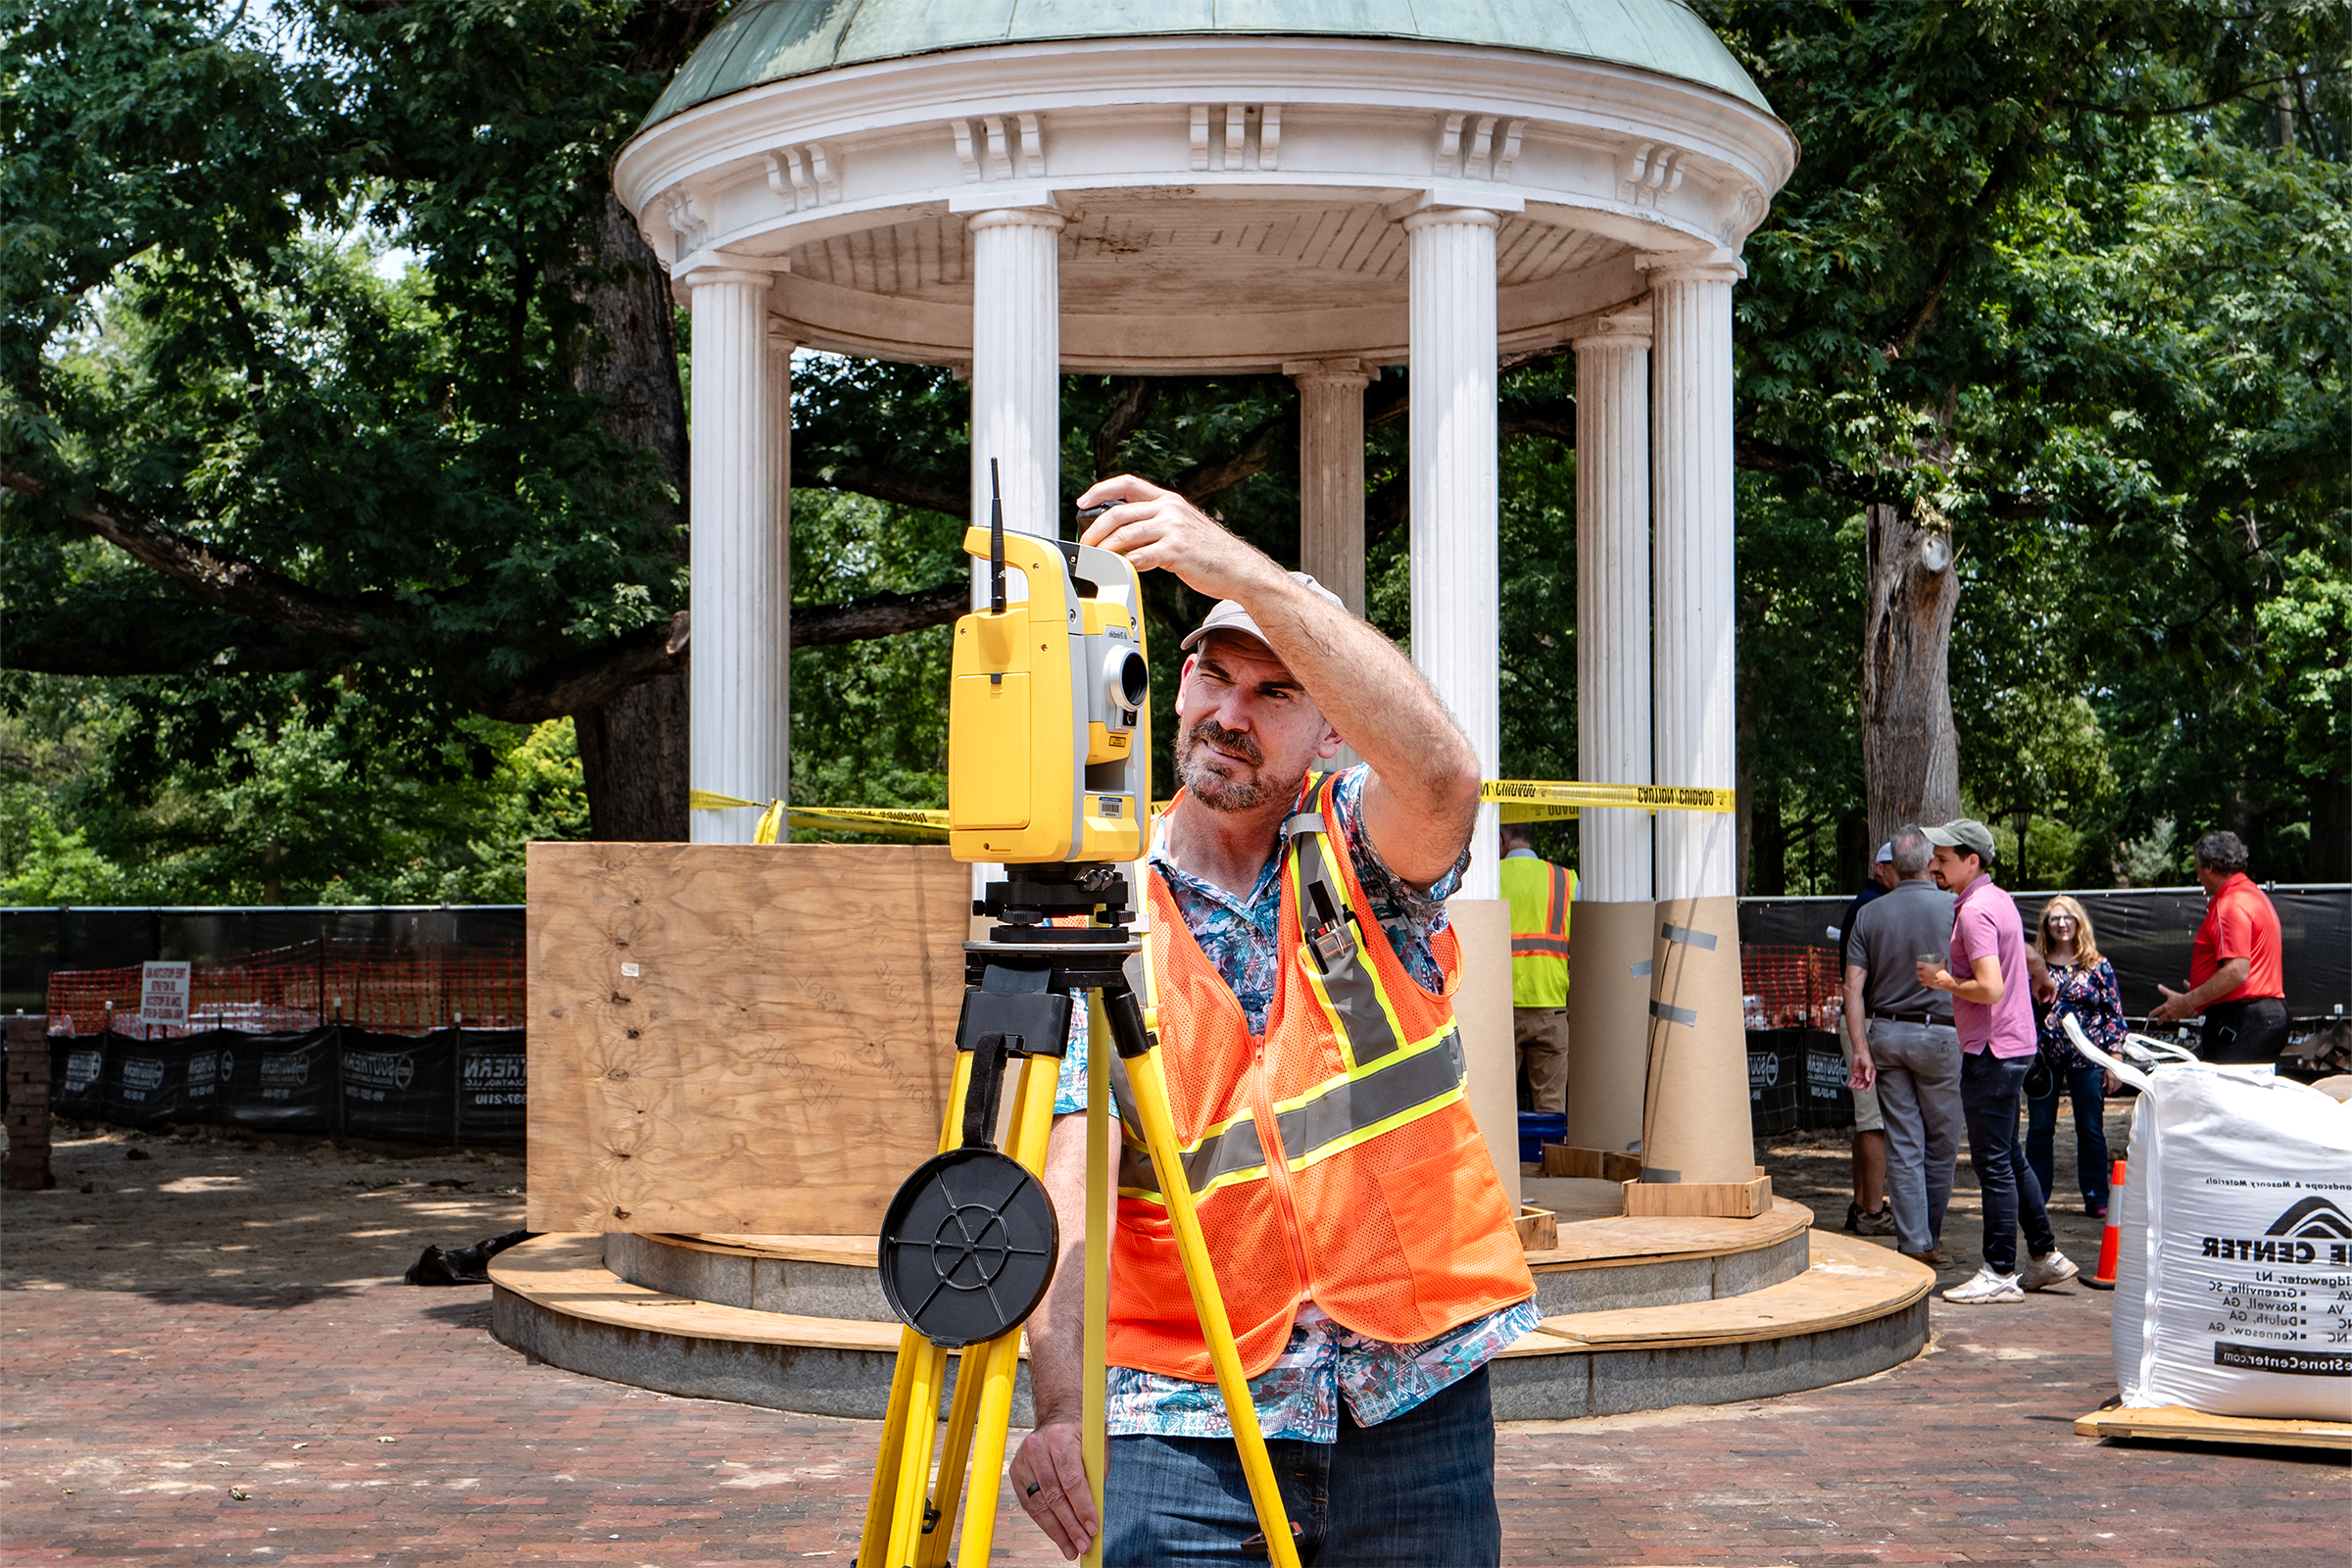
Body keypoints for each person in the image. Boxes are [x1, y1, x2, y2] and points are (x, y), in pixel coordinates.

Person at [1007, 474, 1538, 1566]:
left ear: (1329, 730)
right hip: (1183, 1407)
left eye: (1277, 690)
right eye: (1214, 674)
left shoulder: (1360, 853)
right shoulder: (1106, 903)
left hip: (1408, 1388)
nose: (1230, 714)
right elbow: (1073, 1169)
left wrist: (1240, 572)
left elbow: (1445, 774)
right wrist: (1059, 1403)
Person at [1916, 818, 2078, 1304]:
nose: (1933, 865)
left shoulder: (1974, 913)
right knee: (2009, 1156)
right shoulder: (1998, 899)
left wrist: (1943, 982)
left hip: (1991, 1050)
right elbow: (2022, 960)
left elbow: (1990, 988)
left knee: (1994, 1166)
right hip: (2012, 1045)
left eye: (1942, 859)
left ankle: (2000, 1272)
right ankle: (2045, 1257)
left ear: (1972, 861)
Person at [1842, 827, 1959, 1266]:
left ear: (1894, 865)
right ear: (1931, 863)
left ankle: (1915, 1243)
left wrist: (1860, 1048)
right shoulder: (1956, 908)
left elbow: (1852, 988)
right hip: (1943, 1036)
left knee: (1904, 1143)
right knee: (1941, 1144)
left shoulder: (1869, 914)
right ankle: (1931, 1236)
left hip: (1887, 1036)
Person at [2149, 830, 2288, 1067]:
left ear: (2210, 868)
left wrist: (2188, 1001)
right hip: (2261, 1016)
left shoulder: (2230, 903)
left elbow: (2237, 970)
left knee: (2220, 1099)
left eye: (2197, 867)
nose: (2197, 875)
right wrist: (2208, 995)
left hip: (2245, 1019)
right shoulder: (2255, 895)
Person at [2023, 896, 2122, 1217]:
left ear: (2079, 922)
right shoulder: (2034, 965)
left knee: (2090, 1128)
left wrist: (2115, 1059)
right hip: (2044, 1060)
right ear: (2046, 925)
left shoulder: (2097, 964)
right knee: (2039, 1128)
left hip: (2089, 1059)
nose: (2061, 923)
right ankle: (2036, 1196)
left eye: (2067, 917)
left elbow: (2114, 1014)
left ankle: (2096, 1196)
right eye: (2054, 918)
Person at [1833, 844, 1900, 1236]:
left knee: (1866, 1121)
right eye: (1898, 867)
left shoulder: (1867, 902)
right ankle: (1873, 1211)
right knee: (1874, 1122)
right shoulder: (1873, 907)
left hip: (1863, 1023)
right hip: (1868, 1023)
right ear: (1879, 868)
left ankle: (1863, 1204)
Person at [1499, 819, 1574, 1113]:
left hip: (1505, 1012)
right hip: (1553, 1007)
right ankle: (1549, 1158)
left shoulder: (1489, 879)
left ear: (1502, 839)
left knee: (1498, 1105)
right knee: (1551, 1106)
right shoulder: (1565, 880)